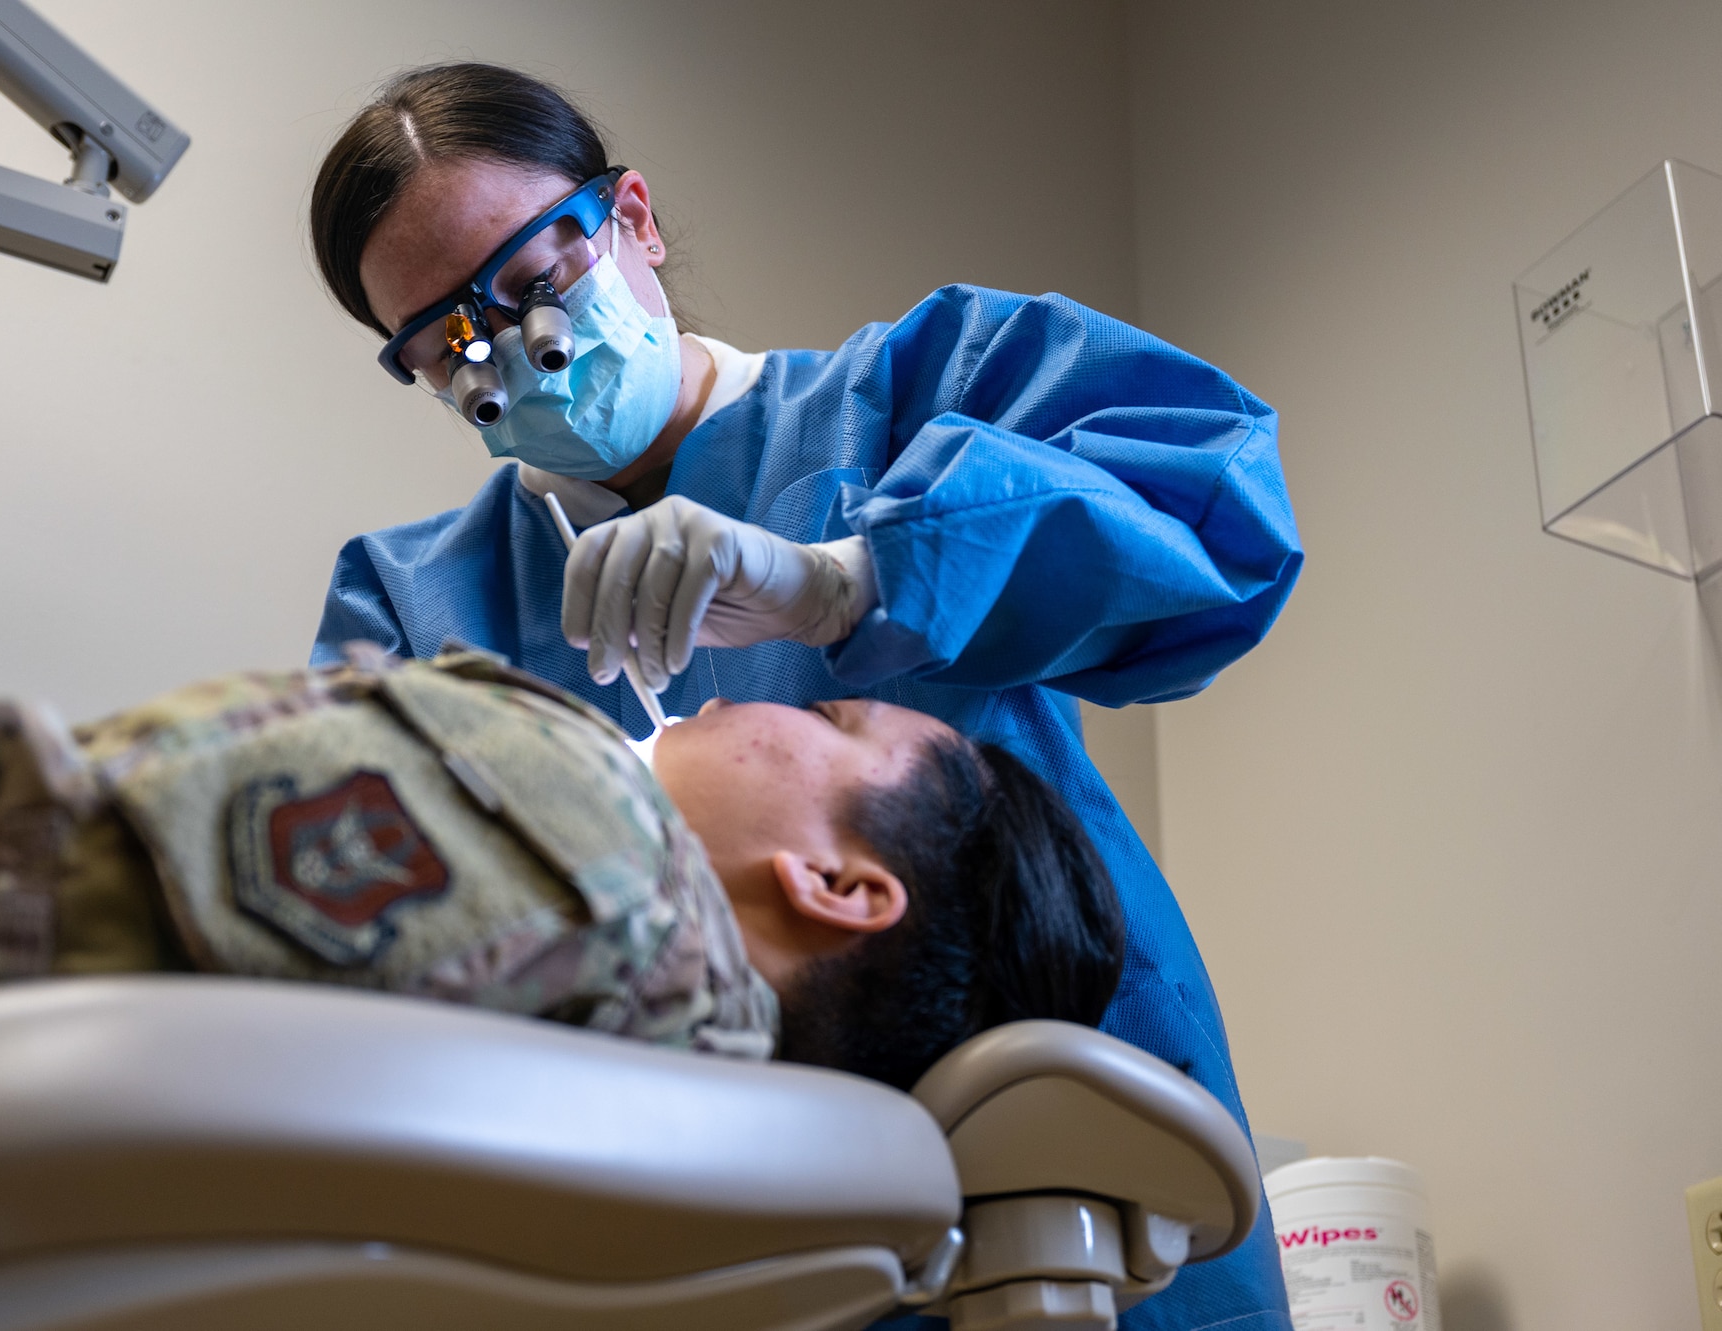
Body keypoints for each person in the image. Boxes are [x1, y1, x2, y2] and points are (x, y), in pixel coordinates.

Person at [306, 63, 1304, 1331]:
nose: (509, 346)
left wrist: (854, 577)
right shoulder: (412, 607)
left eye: (533, 282)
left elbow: (1219, 510)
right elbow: (367, 953)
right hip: (687, 1263)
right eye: (447, 339)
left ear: (634, 220)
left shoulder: (905, 399)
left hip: (1079, 1205)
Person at [0, 636, 1122, 1101]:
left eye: (825, 721)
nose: (746, 700)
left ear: (840, 884)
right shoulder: (695, 1089)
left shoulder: (581, 837)